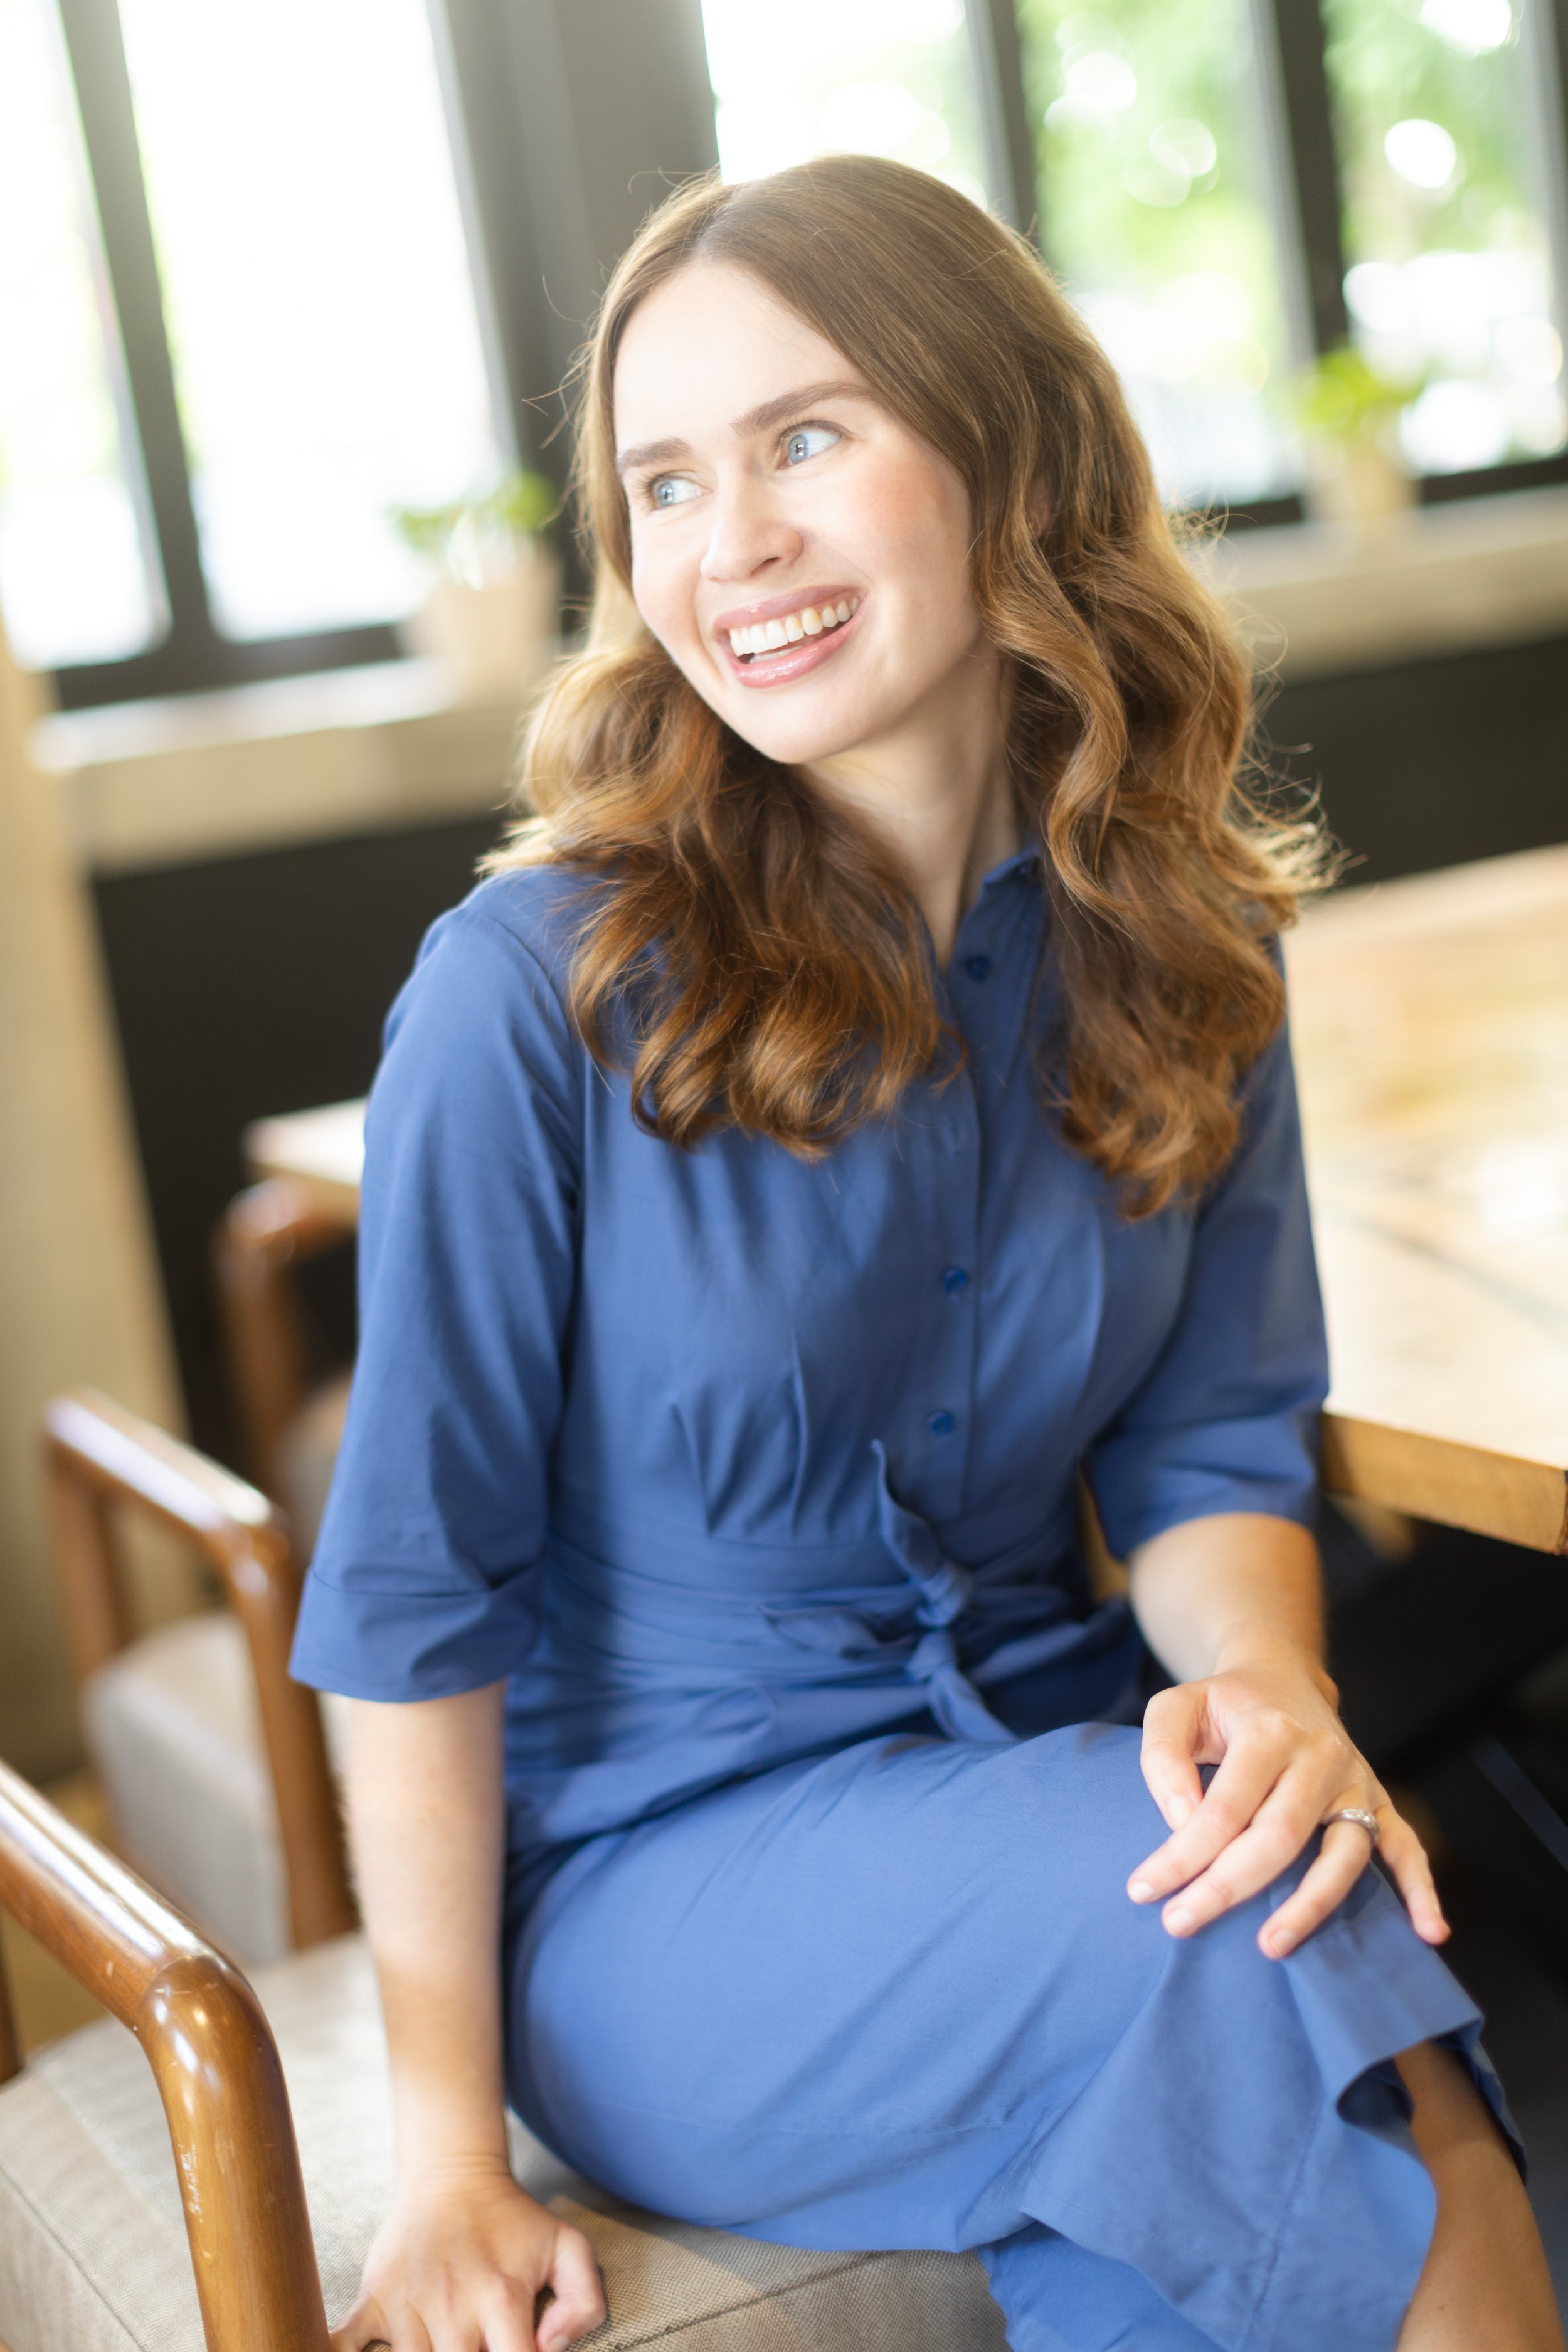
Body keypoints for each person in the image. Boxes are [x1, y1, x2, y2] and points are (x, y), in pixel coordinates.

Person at [291, 157, 1561, 2352]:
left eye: (804, 437)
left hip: (1034, 1771)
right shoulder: (529, 993)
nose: (733, 543)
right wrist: (446, 2163)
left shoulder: (1184, 943)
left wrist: (1264, 1696)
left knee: (1306, 1919)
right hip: (659, 1899)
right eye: (664, 482)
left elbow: (1206, 1450)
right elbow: (410, 1600)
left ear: (1006, 450)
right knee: (1255, 1940)